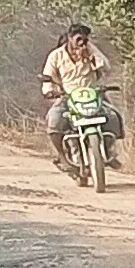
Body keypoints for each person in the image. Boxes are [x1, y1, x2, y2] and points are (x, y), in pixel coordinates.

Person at [41, 24, 121, 164]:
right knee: (54, 120)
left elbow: (106, 67)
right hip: (68, 96)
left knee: (113, 117)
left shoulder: (90, 50)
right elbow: (48, 76)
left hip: (93, 94)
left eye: (84, 40)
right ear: (69, 38)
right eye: (78, 39)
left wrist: (90, 58)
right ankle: (62, 157)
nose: (81, 43)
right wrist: (50, 91)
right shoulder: (56, 55)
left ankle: (109, 150)